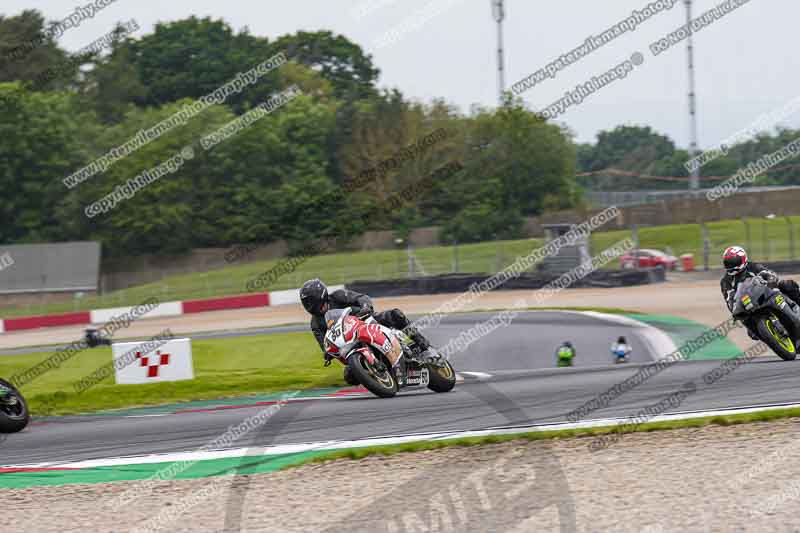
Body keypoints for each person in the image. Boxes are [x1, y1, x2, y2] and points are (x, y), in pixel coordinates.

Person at [299, 279, 435, 381]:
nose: (309, 305)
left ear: (320, 294)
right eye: (306, 303)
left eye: (310, 301)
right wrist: (328, 353)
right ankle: (378, 376)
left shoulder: (337, 296)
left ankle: (423, 344)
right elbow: (324, 343)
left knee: (395, 315)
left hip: (367, 321)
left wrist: (365, 306)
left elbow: (361, 298)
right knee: (349, 376)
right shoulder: (315, 323)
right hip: (350, 342)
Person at [721, 246, 800, 334]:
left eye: (734, 262)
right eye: (728, 263)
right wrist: (735, 309)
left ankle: (794, 305)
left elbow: (769, 273)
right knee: (751, 332)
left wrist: (771, 280)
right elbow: (729, 300)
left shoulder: (752, 266)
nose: (732, 266)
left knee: (787, 285)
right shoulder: (725, 281)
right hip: (749, 306)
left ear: (743, 259)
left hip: (764, 293)